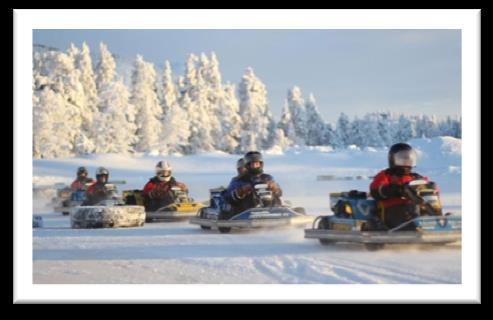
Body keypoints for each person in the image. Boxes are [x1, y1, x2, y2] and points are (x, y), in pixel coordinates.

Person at [369, 143, 430, 230]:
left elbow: (426, 185)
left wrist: (430, 187)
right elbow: (376, 190)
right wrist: (396, 190)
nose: (406, 161)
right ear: (393, 159)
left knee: (427, 204)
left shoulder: (416, 177)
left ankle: (437, 221)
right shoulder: (386, 175)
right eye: (402, 158)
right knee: (408, 208)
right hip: (393, 209)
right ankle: (411, 228)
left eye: (408, 158)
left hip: (417, 207)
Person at [223, 151, 282, 218]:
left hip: (271, 207)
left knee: (274, 196)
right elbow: (227, 196)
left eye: (257, 164)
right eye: (252, 164)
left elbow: (279, 193)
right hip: (247, 209)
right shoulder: (239, 180)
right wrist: (241, 191)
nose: (255, 166)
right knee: (250, 194)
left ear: (261, 164)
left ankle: (276, 210)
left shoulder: (267, 177)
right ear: (247, 165)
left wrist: (274, 188)